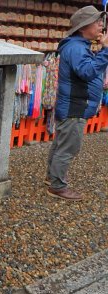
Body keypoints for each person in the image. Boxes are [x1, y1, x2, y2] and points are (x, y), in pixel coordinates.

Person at [46, 5, 108, 200]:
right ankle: (58, 186)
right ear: (83, 27)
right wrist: (106, 51)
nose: (101, 25)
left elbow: (86, 68)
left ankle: (52, 177)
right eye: (97, 21)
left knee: (60, 144)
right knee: (68, 147)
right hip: (75, 106)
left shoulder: (78, 46)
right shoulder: (75, 47)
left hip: (73, 105)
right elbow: (87, 72)